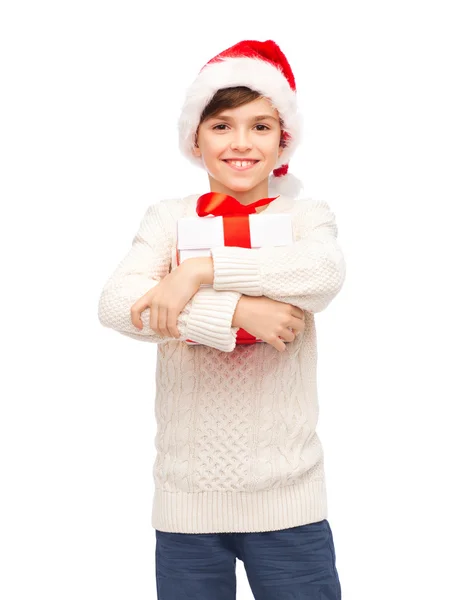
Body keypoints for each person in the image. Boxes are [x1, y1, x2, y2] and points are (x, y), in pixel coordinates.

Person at [98, 39, 346, 600]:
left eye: (261, 127)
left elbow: (322, 275)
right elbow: (118, 303)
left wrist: (197, 272)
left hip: (288, 501)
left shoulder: (305, 216)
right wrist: (236, 310)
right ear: (195, 137)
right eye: (221, 126)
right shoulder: (168, 218)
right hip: (187, 503)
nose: (240, 143)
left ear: (283, 140)